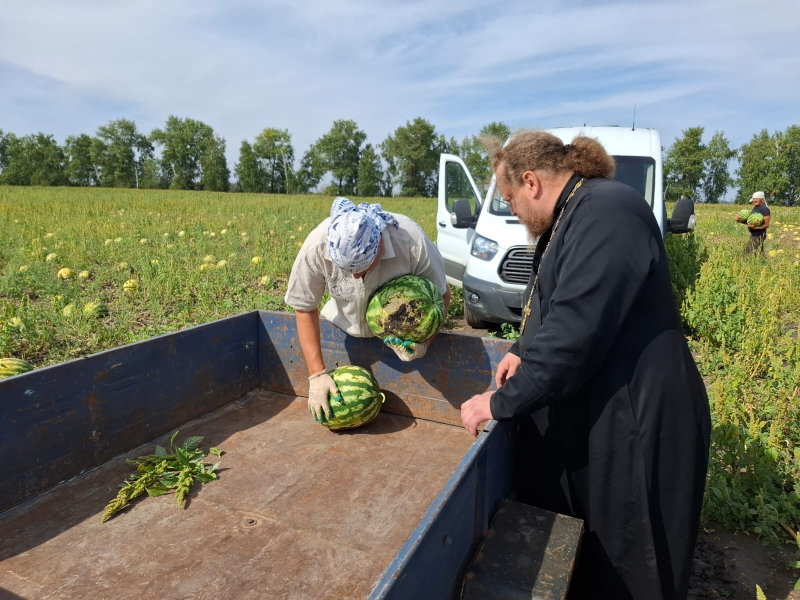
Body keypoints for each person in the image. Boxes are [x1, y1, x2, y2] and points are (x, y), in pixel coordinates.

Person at [459, 131, 711, 599]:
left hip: (643, 413)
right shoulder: (570, 217)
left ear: (531, 182)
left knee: (636, 557)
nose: (513, 211)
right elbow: (552, 302)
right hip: (609, 398)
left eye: (511, 198)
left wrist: (500, 401)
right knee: (598, 548)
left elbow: (576, 332)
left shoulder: (606, 212)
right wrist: (520, 347)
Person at [285, 197, 450, 422]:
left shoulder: (411, 241)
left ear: (380, 245)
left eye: (362, 269)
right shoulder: (317, 245)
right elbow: (304, 306)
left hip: (395, 337)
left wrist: (424, 345)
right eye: (347, 269)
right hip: (342, 327)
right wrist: (317, 375)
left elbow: (441, 295)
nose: (355, 276)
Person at [735, 191, 771, 255]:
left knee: (746, 254)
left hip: (759, 235)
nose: (754, 200)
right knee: (758, 253)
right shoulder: (755, 208)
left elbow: (766, 225)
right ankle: (764, 263)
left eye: (756, 199)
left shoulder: (764, 209)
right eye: (753, 199)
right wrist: (739, 220)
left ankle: (745, 263)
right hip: (754, 234)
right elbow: (750, 223)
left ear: (762, 200)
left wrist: (756, 227)